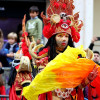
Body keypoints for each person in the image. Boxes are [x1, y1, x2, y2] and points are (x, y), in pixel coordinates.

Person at [22, 0, 98, 100]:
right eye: (60, 36)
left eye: (66, 36)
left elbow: (78, 87)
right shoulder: (44, 57)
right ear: (53, 38)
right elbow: (42, 82)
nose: (64, 39)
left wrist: (87, 80)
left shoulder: (76, 58)